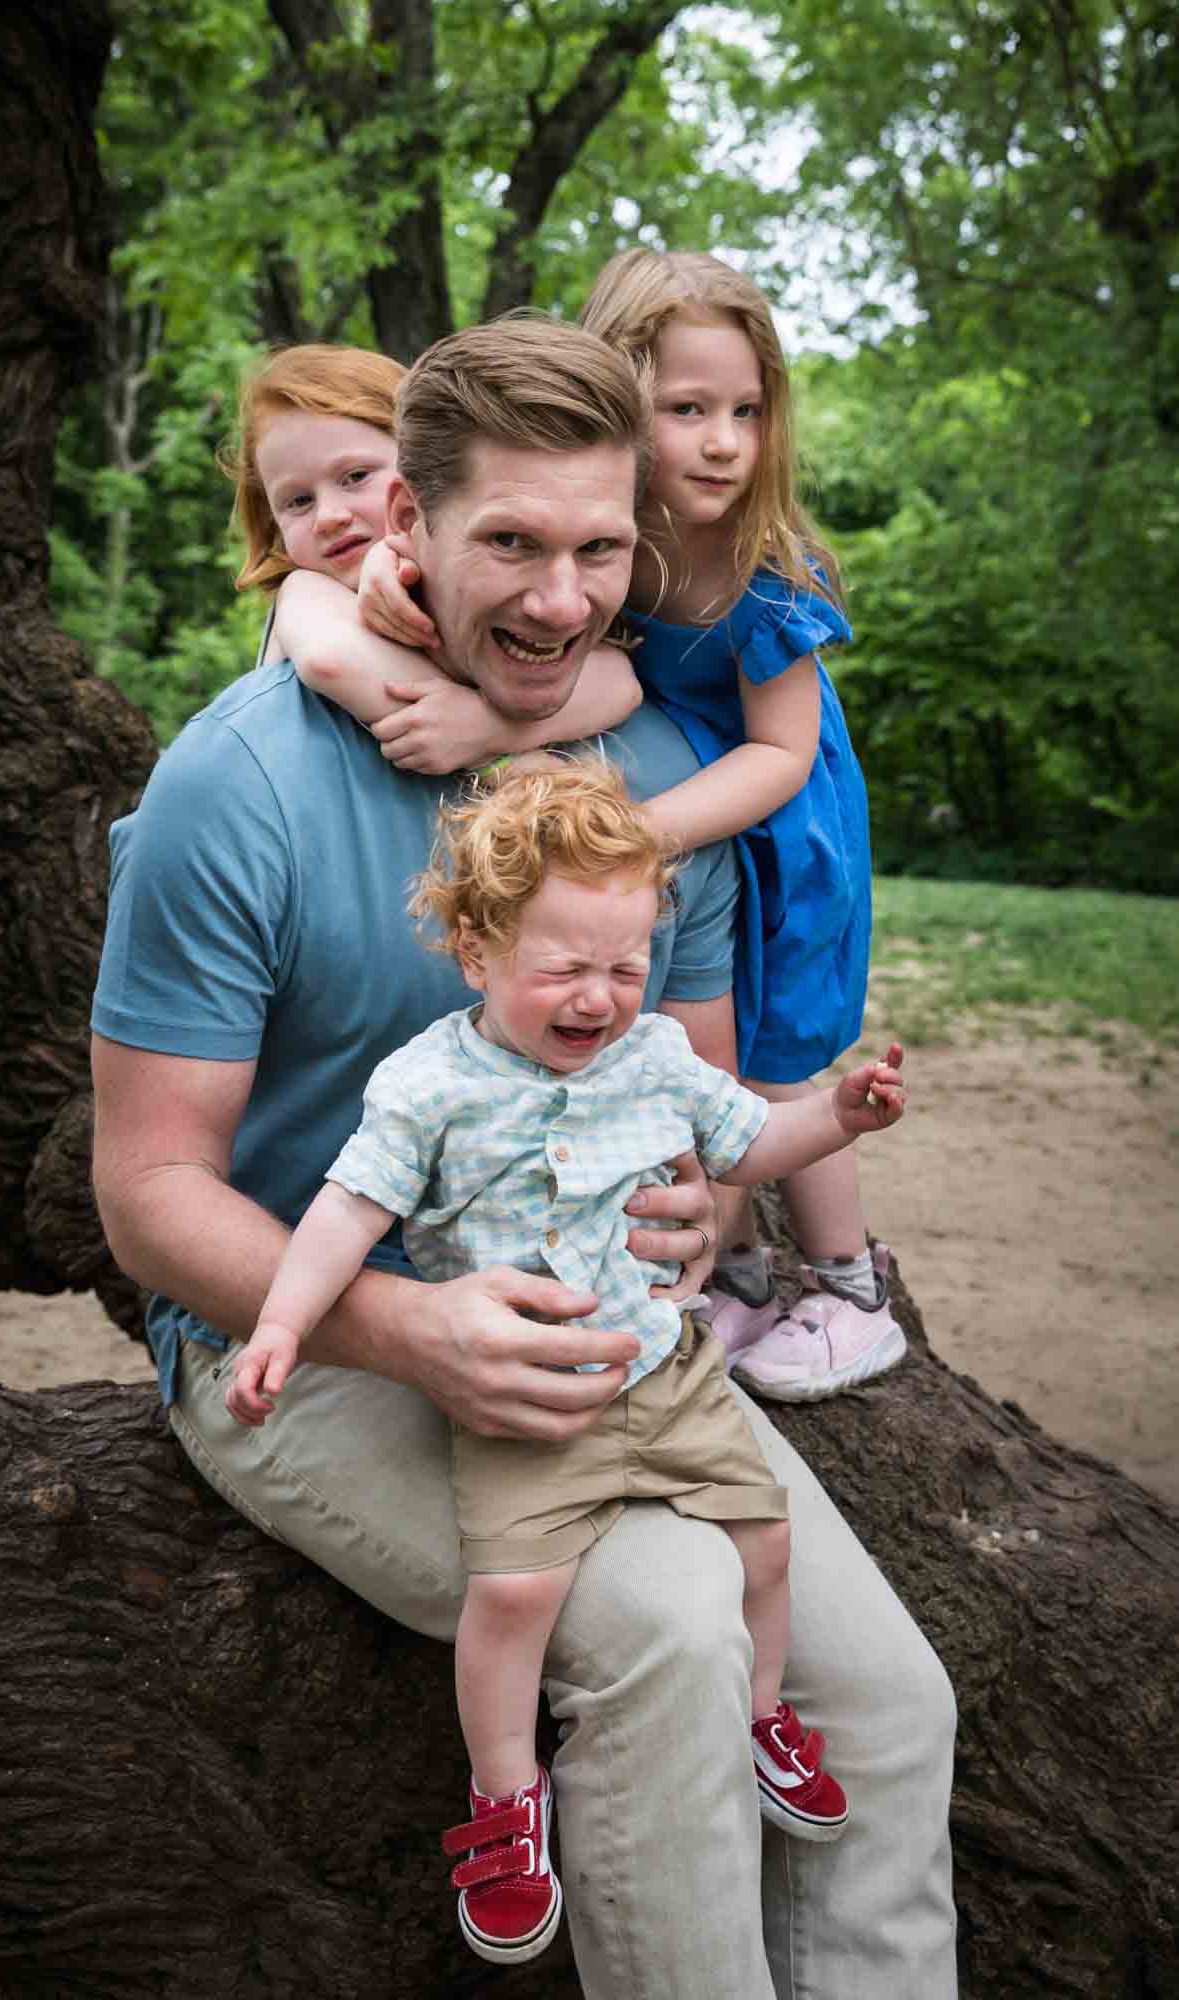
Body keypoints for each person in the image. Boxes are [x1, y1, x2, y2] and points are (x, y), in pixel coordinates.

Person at [91, 315, 958, 1999]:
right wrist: (406, 1327)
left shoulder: (649, 785)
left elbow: (692, 1115)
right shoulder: (233, 784)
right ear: (399, 530)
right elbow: (146, 1193)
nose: (559, 598)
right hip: (305, 1330)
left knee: (886, 1704)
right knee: (663, 1629)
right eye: (507, 542)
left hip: (608, 1341)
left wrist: (701, 1210)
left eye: (594, 546)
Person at [228, 757, 909, 1963]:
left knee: (763, 1541)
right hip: (528, 1398)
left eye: (625, 965)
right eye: (563, 969)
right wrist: (284, 1321)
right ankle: (503, 1799)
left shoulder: (651, 1056)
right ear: (478, 950)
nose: (599, 996)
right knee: (516, 1593)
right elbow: (343, 1212)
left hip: (665, 1367)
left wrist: (840, 1115)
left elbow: (752, 1141)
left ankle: (761, 1719)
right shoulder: (428, 1085)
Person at [576, 247, 906, 1402]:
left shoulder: (766, 570)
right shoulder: (613, 547)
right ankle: (746, 1270)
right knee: (691, 1052)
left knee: (772, 1060)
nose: (723, 440)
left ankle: (848, 1286)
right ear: (619, 406)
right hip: (706, 845)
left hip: (786, 839)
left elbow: (781, 751)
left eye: (746, 411)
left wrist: (646, 830)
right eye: (687, 409)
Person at [224, 341, 642, 771]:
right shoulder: (307, 591)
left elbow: (621, 684)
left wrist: (489, 728)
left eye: (355, 477)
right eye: (297, 501)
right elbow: (330, 661)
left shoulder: (452, 583)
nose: (328, 517)